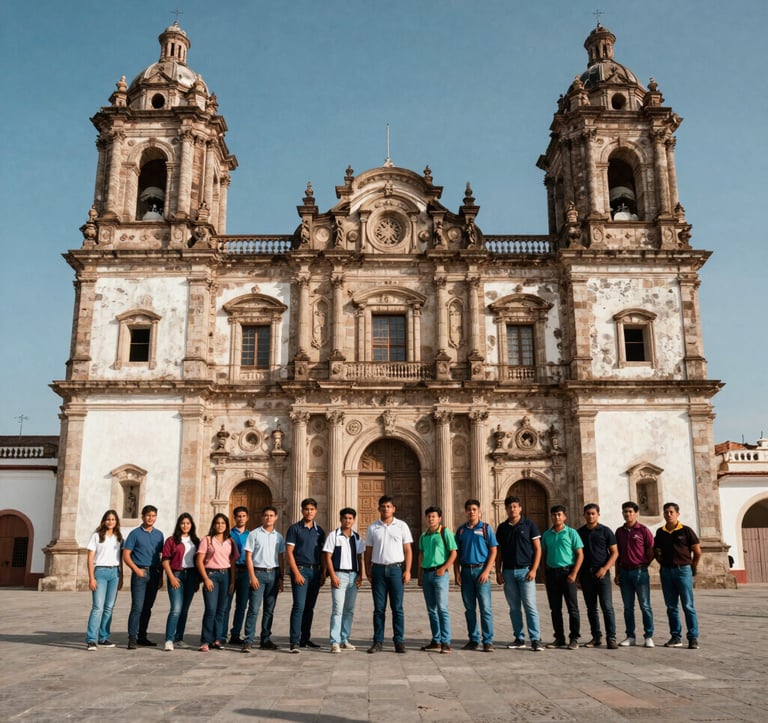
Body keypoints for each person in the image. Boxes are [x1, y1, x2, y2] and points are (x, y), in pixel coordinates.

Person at [364, 495, 413, 654]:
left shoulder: (402, 526)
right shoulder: (373, 527)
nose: (386, 509)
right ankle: (378, 641)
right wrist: (367, 570)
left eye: (388, 506)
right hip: (378, 570)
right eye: (383, 506)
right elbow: (368, 551)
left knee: (397, 608)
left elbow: (407, 550)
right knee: (379, 608)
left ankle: (399, 641)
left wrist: (407, 570)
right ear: (378, 508)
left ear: (393, 509)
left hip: (396, 570)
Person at [494, 495, 543, 652]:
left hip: (526, 571)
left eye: (515, 506)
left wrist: (534, 569)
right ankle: (519, 637)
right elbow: (499, 552)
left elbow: (538, 549)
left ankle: (535, 639)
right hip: (508, 572)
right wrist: (498, 571)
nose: (512, 509)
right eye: (509, 507)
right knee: (514, 607)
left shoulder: (529, 525)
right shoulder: (502, 528)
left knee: (530, 605)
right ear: (506, 509)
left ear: (520, 508)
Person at [654, 502, 702, 649]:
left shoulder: (686, 531)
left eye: (671, 512)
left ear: (677, 514)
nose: (668, 514)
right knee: (671, 606)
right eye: (666, 512)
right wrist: (662, 563)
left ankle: (693, 637)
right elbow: (656, 551)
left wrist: (692, 566)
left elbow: (697, 551)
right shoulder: (660, 532)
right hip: (667, 571)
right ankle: (676, 636)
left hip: (683, 570)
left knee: (688, 605)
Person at [454, 499, 498, 652]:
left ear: (479, 511)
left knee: (485, 608)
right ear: (465, 512)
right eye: (469, 509)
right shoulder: (461, 530)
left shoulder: (486, 528)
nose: (471, 512)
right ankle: (473, 639)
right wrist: (456, 573)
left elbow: (493, 550)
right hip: (466, 572)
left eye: (474, 509)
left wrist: (487, 571)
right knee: (469, 608)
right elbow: (456, 553)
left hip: (481, 571)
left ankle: (488, 640)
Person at [241, 506, 285, 652]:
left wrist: (281, 577)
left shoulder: (279, 537)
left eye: (271, 515)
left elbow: (280, 557)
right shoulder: (254, 534)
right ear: (262, 517)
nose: (268, 518)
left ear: (276, 517)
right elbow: (248, 556)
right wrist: (252, 576)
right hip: (258, 574)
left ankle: (265, 639)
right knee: (253, 608)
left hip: (273, 574)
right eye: (266, 515)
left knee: (269, 610)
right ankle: (248, 640)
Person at [286, 497, 326, 652]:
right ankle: (294, 641)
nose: (309, 512)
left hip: (315, 572)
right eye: (306, 509)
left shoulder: (319, 531)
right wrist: (296, 572)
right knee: (299, 606)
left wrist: (323, 572)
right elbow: (289, 553)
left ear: (316, 511)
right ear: (302, 511)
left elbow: (322, 553)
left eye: (312, 509)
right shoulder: (294, 529)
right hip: (301, 570)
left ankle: (305, 638)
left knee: (310, 607)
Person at [322, 507, 365, 653]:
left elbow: (360, 557)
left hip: (353, 576)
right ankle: (335, 641)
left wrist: (361, 575)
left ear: (353, 520)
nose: (348, 521)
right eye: (345, 518)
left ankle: (344, 638)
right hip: (339, 575)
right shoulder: (333, 536)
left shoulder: (357, 537)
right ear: (340, 519)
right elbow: (327, 556)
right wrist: (332, 575)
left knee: (349, 610)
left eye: (350, 518)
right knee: (337, 609)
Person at [541, 504, 583, 650]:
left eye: (559, 514)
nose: (556, 517)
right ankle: (559, 637)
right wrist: (544, 575)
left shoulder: (571, 533)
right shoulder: (546, 535)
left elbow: (580, 554)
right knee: (555, 608)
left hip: (567, 573)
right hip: (552, 574)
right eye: (554, 515)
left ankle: (574, 638)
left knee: (572, 608)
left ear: (564, 516)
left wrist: (574, 573)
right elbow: (543, 555)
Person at [577, 503, 619, 649]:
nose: (590, 516)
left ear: (598, 515)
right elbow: (577, 554)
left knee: (607, 606)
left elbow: (615, 552)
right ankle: (596, 637)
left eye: (593, 513)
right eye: (588, 513)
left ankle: (611, 637)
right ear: (584, 515)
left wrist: (605, 568)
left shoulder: (606, 531)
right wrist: (577, 575)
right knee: (591, 608)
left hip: (602, 574)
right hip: (586, 574)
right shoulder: (579, 532)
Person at [614, 501, 655, 647]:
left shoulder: (643, 530)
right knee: (627, 607)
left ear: (636, 513)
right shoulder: (619, 532)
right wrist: (617, 573)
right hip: (624, 572)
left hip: (640, 572)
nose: (627, 514)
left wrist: (643, 565)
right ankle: (630, 636)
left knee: (645, 605)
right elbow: (617, 554)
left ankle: (648, 635)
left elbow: (651, 550)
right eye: (625, 511)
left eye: (630, 511)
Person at [123, 504, 164, 649]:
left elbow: (161, 556)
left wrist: (161, 576)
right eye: (148, 515)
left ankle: (142, 636)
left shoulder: (159, 535)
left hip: (154, 573)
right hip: (140, 573)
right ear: (142, 516)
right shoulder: (134, 534)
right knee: (137, 607)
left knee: (148, 607)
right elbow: (126, 555)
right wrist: (136, 570)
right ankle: (132, 637)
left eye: (153, 516)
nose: (150, 518)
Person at [418, 506, 457, 654]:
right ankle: (436, 640)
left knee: (442, 608)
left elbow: (453, 553)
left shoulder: (445, 532)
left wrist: (444, 568)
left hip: (440, 574)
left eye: (434, 516)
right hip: (427, 574)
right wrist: (420, 574)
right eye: (429, 516)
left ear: (439, 518)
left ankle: (446, 642)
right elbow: (421, 555)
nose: (431, 519)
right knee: (431, 610)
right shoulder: (423, 536)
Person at [195, 513, 236, 652]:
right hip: (211, 575)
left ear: (227, 525)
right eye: (218, 523)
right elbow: (199, 560)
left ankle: (218, 639)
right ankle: (205, 640)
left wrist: (232, 581)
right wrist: (206, 578)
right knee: (211, 609)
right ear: (213, 524)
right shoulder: (207, 540)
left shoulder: (230, 541)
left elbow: (232, 562)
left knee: (221, 610)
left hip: (225, 576)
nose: (220, 525)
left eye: (223, 523)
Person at [161, 513, 200, 651]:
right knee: (176, 608)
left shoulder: (196, 541)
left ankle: (179, 638)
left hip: (191, 575)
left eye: (188, 523)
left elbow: (199, 561)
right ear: (179, 524)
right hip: (176, 574)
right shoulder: (171, 540)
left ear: (192, 525)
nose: (185, 526)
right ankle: (169, 639)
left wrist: (197, 580)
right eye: (183, 523)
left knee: (184, 609)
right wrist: (171, 577)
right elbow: (165, 560)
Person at [85, 509, 123, 650]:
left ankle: (103, 637)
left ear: (116, 521)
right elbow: (90, 558)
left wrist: (121, 577)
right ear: (104, 521)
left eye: (113, 519)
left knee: (109, 607)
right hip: (100, 572)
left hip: (115, 572)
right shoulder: (96, 536)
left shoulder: (119, 537)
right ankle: (91, 639)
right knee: (97, 607)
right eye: (108, 519)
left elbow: (120, 558)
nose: (110, 522)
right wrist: (91, 578)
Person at [227, 506, 251, 646]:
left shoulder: (251, 535)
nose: (241, 518)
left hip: (246, 572)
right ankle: (221, 634)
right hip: (230, 571)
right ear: (234, 518)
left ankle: (235, 633)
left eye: (243, 516)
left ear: (247, 517)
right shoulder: (228, 534)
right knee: (226, 604)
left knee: (242, 605)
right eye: (238, 516)